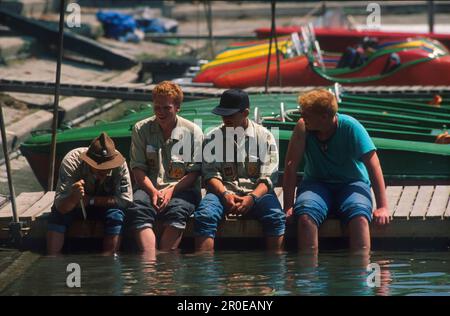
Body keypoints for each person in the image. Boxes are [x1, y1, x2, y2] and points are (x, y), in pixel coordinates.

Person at [283, 89, 390, 254]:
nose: (302, 118)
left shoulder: (351, 127)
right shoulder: (303, 127)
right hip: (316, 183)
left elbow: (373, 164)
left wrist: (382, 206)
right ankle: (307, 274)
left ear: (324, 117)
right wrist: (288, 206)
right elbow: (291, 165)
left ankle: (360, 271)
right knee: (305, 217)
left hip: (351, 183)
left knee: (359, 217)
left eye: (306, 114)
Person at [194, 89, 285, 252]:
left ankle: (275, 271)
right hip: (223, 192)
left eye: (230, 115)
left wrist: (252, 198)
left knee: (276, 217)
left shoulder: (265, 137)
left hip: (258, 193)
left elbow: (268, 177)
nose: (225, 118)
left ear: (245, 113)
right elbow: (210, 175)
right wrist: (224, 194)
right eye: (223, 114)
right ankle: (204, 272)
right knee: (204, 216)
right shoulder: (212, 138)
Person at [127, 81, 203, 254]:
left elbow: (194, 172)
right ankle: (150, 261)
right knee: (138, 208)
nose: (161, 112)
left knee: (178, 210)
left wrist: (171, 190)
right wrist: (153, 191)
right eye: (157, 108)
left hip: (183, 188)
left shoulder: (193, 132)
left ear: (177, 107)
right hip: (149, 187)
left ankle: (166, 259)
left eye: (166, 108)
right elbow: (138, 168)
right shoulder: (141, 129)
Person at [47, 132, 133, 255]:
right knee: (57, 216)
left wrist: (92, 200)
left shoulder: (119, 164)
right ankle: (52, 259)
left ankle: (109, 260)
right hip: (76, 205)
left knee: (117, 216)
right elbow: (61, 206)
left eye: (106, 168)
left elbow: (126, 200)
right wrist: (73, 198)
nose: (103, 173)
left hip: (105, 205)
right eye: (99, 169)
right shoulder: (72, 162)